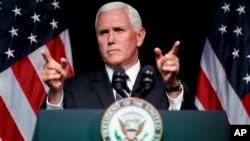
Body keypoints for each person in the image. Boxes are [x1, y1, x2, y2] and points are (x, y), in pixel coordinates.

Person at [41, 1, 197, 110]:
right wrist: (55, 93)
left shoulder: (169, 88)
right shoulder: (72, 90)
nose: (110, 40)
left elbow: (190, 131)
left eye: (119, 30)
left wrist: (172, 87)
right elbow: (53, 132)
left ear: (140, 36)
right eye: (103, 33)